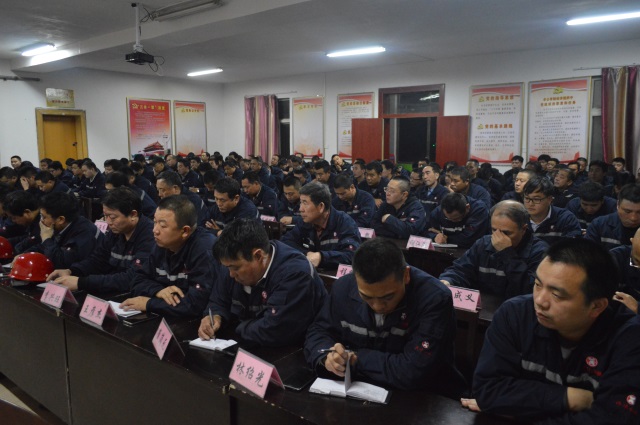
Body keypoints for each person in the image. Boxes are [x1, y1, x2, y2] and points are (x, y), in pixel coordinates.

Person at [462, 239, 640, 424]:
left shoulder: (630, 339)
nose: (540, 301)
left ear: (596, 306)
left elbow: (612, 418)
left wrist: (519, 409)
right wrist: (571, 398)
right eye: (537, 284)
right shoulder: (515, 315)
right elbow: (487, 391)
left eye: (556, 295)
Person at [304, 238, 467, 398]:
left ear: (406, 275)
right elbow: (319, 330)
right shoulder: (343, 287)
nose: (377, 306)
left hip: (423, 397)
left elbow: (413, 371)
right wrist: (326, 357)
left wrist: (355, 358)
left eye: (388, 297)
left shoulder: (434, 299)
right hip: (359, 390)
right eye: (367, 297)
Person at [198, 219, 327, 346]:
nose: (231, 274)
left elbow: (275, 329)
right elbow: (218, 301)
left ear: (258, 256)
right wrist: (214, 316)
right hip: (248, 340)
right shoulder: (231, 263)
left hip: (295, 348)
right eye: (227, 268)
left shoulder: (295, 274)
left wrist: (237, 327)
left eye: (235, 268)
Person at [120, 195, 217, 316]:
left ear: (185, 231)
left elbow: (196, 304)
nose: (155, 230)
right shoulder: (162, 244)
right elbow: (137, 280)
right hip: (168, 314)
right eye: (155, 222)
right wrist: (158, 291)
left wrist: (149, 303)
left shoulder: (205, 250)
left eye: (163, 226)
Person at [47, 187, 154, 293]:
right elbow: (98, 260)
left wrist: (81, 282)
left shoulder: (150, 236)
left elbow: (131, 278)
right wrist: (72, 271)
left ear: (133, 215)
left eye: (112, 217)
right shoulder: (116, 232)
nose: (108, 222)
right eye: (105, 216)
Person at [439, 201, 548, 299]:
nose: (498, 238)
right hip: (483, 308)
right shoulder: (483, 243)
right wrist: (448, 281)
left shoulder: (540, 252)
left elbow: (530, 289)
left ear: (523, 229)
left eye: (506, 233)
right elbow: (461, 270)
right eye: (494, 230)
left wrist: (507, 254)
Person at [281, 181, 361, 268]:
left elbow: (352, 255)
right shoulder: (305, 222)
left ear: (321, 207)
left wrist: (321, 257)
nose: (300, 209)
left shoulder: (344, 222)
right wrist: (306, 253)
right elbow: (286, 241)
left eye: (305, 203)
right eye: (301, 202)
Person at [33, 192, 104, 269]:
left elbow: (61, 264)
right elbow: (42, 247)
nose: (41, 221)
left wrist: (46, 239)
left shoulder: (84, 233)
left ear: (61, 219)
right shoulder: (61, 225)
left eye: (44, 217)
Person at [522, 176, 582, 245]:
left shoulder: (566, 218)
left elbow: (570, 248)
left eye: (536, 199)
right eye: (527, 198)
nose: (530, 204)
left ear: (549, 199)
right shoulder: (518, 218)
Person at [585, 183, 640, 250]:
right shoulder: (599, 226)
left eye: (639, 212)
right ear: (618, 205)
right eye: (627, 211)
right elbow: (587, 253)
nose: (633, 218)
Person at [426, 192, 490, 249]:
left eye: (456, 218)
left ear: (467, 207)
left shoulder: (479, 210)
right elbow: (429, 231)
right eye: (448, 218)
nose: (452, 221)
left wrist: (447, 238)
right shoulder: (437, 213)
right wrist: (435, 237)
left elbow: (470, 239)